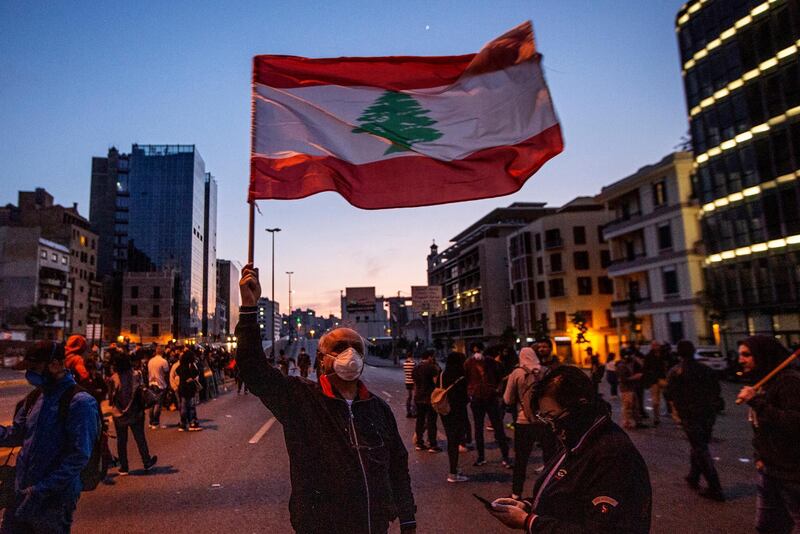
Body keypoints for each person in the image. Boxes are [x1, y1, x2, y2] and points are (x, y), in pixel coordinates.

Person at [236, 264, 416, 533]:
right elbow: (253, 369)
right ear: (322, 359)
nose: (350, 355)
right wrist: (249, 309)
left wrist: (408, 520)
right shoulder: (301, 400)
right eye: (340, 348)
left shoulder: (378, 409)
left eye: (356, 348)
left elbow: (398, 467)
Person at [489, 366, 652, 533]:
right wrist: (528, 505)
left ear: (580, 406)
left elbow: (601, 529)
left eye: (553, 417)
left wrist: (529, 522)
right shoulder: (578, 439)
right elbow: (569, 498)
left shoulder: (612, 454)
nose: (552, 427)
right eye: (545, 418)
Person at [0, 341, 100, 533]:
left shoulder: (80, 402)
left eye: (34, 368)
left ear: (55, 364)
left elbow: (79, 456)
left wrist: (41, 490)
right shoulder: (33, 398)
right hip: (20, 494)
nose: (30, 374)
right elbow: (16, 434)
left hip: (53, 502)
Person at [736, 335, 800, 533]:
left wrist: (757, 402)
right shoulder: (766, 380)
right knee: (768, 526)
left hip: (792, 471)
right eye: (740, 355)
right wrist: (759, 457)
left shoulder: (790, 382)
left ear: (762, 354)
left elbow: (794, 422)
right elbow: (761, 429)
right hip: (769, 469)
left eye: (747, 355)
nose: (741, 360)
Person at [664, 340, 724, 502]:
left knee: (699, 447)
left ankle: (715, 486)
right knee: (699, 444)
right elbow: (716, 390)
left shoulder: (676, 372)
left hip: (690, 414)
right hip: (707, 413)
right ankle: (694, 475)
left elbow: (668, 393)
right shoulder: (706, 370)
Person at [108, 353, 158, 476]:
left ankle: (124, 467)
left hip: (119, 413)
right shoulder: (137, 375)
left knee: (121, 440)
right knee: (140, 438)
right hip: (135, 412)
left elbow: (110, 398)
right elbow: (142, 390)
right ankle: (146, 461)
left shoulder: (113, 378)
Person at [464, 342, 512, 468]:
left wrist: (497, 390)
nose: (477, 353)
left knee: (498, 427)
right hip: (477, 397)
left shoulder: (491, 363)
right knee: (479, 428)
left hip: (490, 397)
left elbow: (501, 377)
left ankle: (505, 457)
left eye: (478, 350)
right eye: (475, 350)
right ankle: (481, 457)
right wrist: (471, 391)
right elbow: (466, 379)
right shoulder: (468, 363)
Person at [504, 347, 543, 499]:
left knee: (521, 459)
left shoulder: (517, 373)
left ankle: (516, 493)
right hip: (543, 421)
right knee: (549, 459)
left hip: (523, 421)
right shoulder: (544, 371)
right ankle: (546, 493)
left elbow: (508, 399)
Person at [440, 351, 469, 482]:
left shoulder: (443, 374)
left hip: (445, 411)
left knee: (451, 440)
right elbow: (464, 396)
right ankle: (453, 473)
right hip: (458, 411)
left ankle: (454, 469)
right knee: (455, 441)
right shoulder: (461, 376)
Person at [532, 337, 561, 463]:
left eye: (544, 347)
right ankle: (548, 465)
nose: (541, 349)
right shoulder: (535, 364)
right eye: (539, 347)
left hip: (555, 405)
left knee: (556, 439)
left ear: (550, 348)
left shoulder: (556, 365)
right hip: (541, 407)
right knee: (545, 440)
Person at [412, 348, 441, 452]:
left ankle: (419, 443)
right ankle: (432, 444)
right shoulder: (431, 367)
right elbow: (436, 381)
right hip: (429, 397)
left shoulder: (416, 368)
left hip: (418, 397)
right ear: (430, 357)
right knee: (431, 421)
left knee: (420, 421)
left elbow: (415, 383)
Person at [616, 348, 646, 429]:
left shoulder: (629, 363)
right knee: (627, 406)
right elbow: (623, 379)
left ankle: (637, 422)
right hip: (626, 389)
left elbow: (641, 364)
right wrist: (635, 377)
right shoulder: (621, 366)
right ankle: (627, 423)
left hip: (631, 388)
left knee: (635, 406)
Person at [643, 341, 668, 426]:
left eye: (657, 345)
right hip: (654, 380)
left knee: (669, 397)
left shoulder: (664, 355)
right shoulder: (649, 357)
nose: (656, 347)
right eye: (654, 345)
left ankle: (673, 414)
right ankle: (656, 417)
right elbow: (646, 369)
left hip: (663, 378)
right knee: (655, 400)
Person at [176, 350, 203, 431]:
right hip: (189, 388)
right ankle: (192, 422)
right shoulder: (191, 365)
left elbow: (177, 372)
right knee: (191, 406)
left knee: (183, 406)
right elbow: (197, 372)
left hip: (182, 387)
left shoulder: (180, 366)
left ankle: (182, 423)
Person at [147, 345, 170, 429]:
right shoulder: (163, 361)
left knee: (152, 404)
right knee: (158, 404)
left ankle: (151, 421)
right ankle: (156, 422)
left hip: (151, 383)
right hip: (160, 383)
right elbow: (166, 372)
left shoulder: (150, 361)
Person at [403, 350, 416, 418]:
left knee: (409, 396)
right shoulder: (413, 363)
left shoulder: (405, 364)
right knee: (414, 397)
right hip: (413, 382)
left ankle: (408, 411)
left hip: (407, 381)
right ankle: (414, 411)